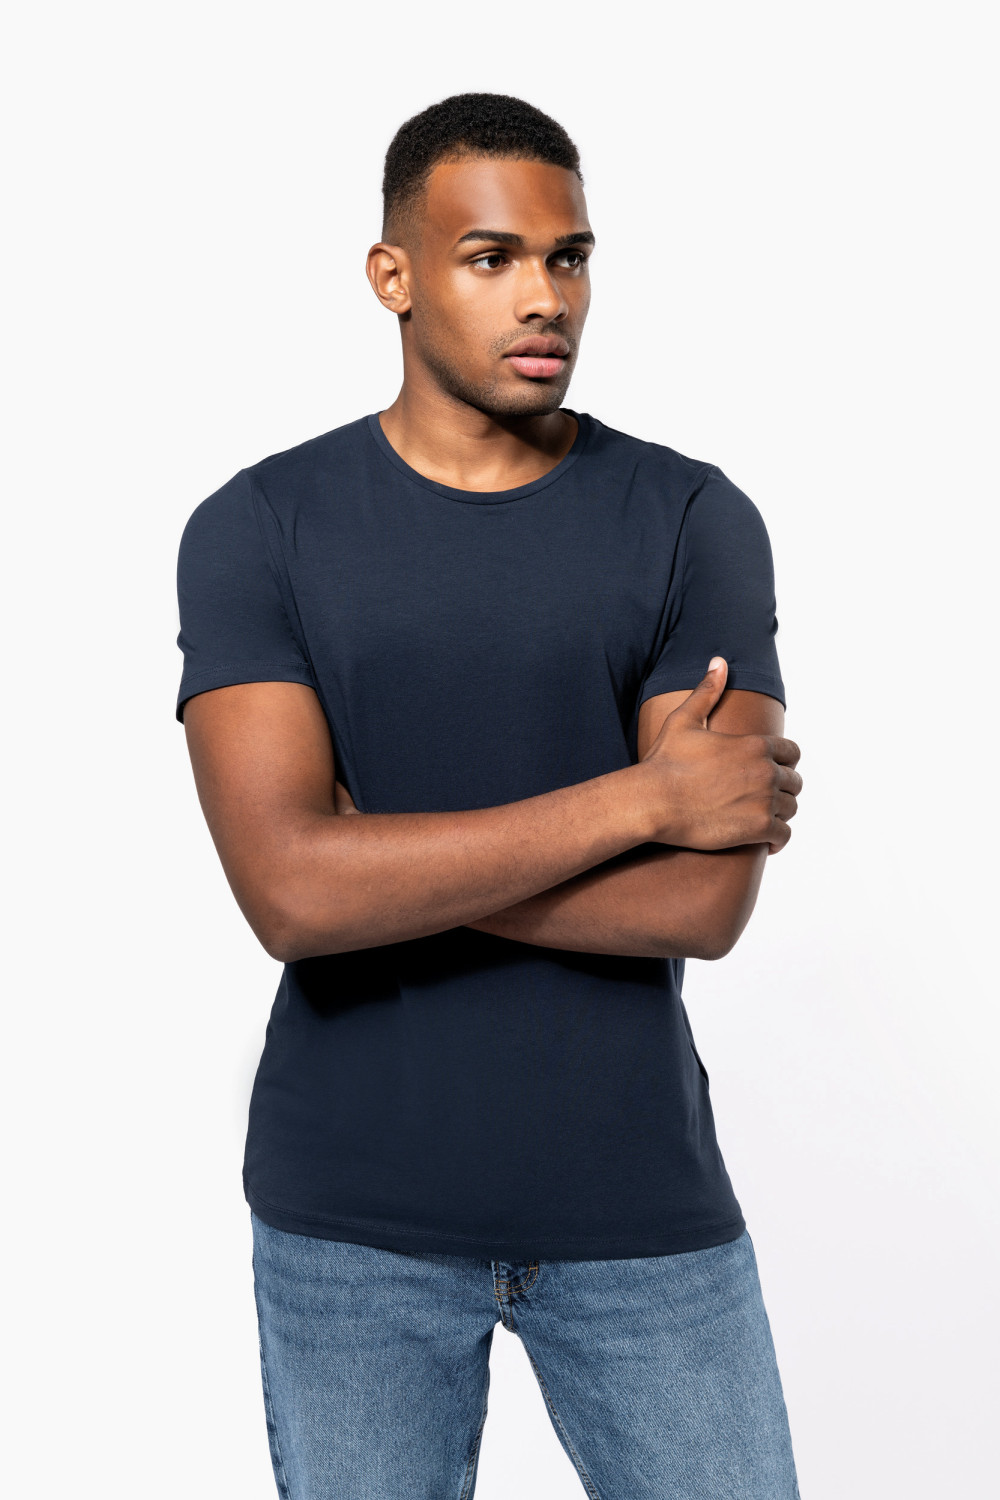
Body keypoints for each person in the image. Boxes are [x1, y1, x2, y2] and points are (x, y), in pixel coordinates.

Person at [175, 92, 804, 1500]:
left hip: (639, 1207)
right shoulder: (260, 529)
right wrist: (639, 802)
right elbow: (290, 898)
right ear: (392, 275)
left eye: (569, 257)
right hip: (352, 1223)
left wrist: (372, 863)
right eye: (492, 257)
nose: (545, 297)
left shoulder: (690, 519)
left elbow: (703, 904)